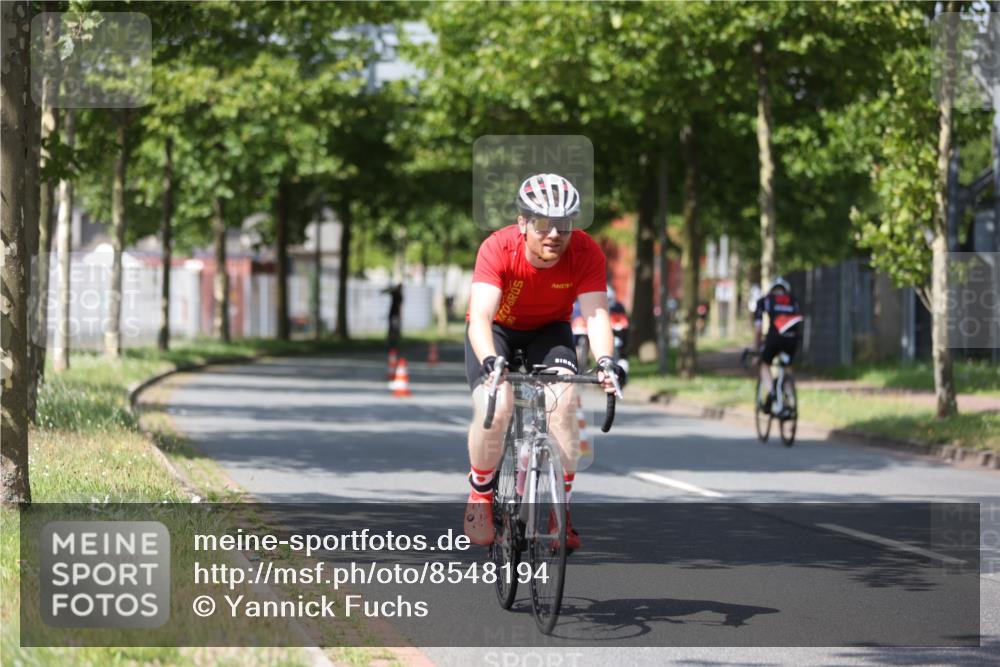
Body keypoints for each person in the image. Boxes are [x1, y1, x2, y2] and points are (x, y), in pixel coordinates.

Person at [463, 173, 626, 549]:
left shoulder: (585, 252)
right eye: (543, 223)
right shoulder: (498, 247)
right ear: (523, 222)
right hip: (497, 331)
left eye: (564, 224)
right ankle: (480, 494)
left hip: (549, 331)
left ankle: (559, 510)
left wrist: (605, 361)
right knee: (496, 404)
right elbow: (481, 317)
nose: (554, 233)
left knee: (564, 402)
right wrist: (490, 362)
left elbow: (596, 315)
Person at [753, 276, 803, 415]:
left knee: (764, 365)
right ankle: (790, 398)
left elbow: (758, 329)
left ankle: (773, 395)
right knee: (787, 367)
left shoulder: (765, 300)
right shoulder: (793, 300)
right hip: (793, 339)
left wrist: (756, 349)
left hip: (774, 338)